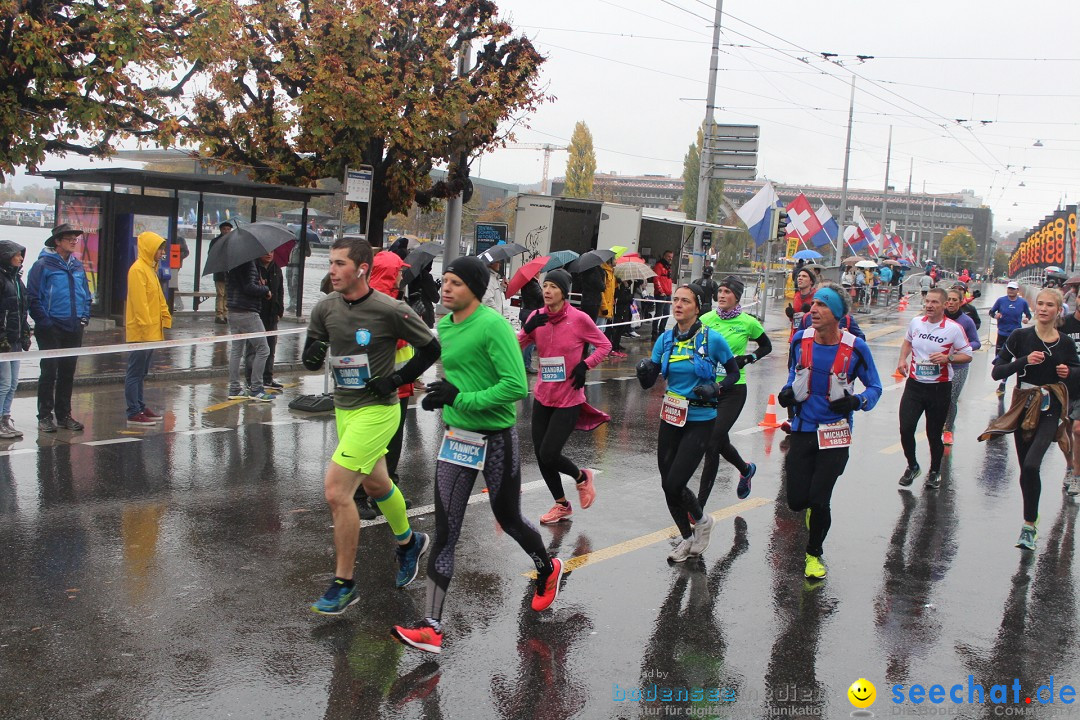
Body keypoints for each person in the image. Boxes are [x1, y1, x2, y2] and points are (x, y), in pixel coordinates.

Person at [392, 256, 563, 654]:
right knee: (446, 531)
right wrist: (442, 398)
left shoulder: (491, 326)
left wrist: (462, 397)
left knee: (509, 517)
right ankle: (432, 625)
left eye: (454, 283)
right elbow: (458, 377)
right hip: (457, 439)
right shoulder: (446, 328)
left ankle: (546, 566)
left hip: (496, 439)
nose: (445, 289)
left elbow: (516, 386)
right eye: (444, 282)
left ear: (474, 288)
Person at [301, 237, 440, 615]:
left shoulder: (389, 308)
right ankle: (410, 542)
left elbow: (431, 348)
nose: (332, 270)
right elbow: (312, 357)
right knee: (378, 483)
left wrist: (395, 381)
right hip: (345, 409)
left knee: (336, 492)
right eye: (330, 262)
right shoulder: (325, 307)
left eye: (340, 264)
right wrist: (312, 354)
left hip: (378, 410)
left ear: (362, 269)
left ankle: (344, 584)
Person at [776, 282, 882, 579]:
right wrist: (786, 393)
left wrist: (857, 401)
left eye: (822, 305)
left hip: (835, 433)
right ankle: (812, 509)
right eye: (814, 304)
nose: (814, 309)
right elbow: (794, 376)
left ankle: (813, 555)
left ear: (836, 313)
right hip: (803, 429)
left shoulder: (855, 348)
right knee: (797, 500)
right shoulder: (800, 340)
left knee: (820, 499)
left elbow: (875, 387)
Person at [636, 284, 740, 563]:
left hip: (700, 419)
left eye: (685, 301)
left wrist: (716, 388)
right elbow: (651, 379)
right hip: (671, 417)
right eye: (675, 300)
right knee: (666, 484)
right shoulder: (665, 340)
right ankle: (687, 537)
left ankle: (703, 521)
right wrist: (644, 372)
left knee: (675, 482)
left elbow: (733, 373)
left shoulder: (712, 339)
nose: (678, 305)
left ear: (698, 307)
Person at [980, 288, 1080, 550]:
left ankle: (1027, 526)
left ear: (1059, 311)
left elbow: (1077, 372)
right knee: (1026, 469)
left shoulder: (1066, 343)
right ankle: (1031, 522)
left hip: (1051, 408)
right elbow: (997, 371)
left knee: (1034, 465)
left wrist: (1068, 371)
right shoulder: (1020, 336)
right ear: (1035, 308)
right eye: (1041, 304)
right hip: (1023, 405)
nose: (1044, 309)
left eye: (1050, 305)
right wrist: (1023, 360)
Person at [518, 268, 612, 525]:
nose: (547, 291)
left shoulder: (579, 319)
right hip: (543, 395)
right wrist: (527, 329)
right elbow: (515, 346)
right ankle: (561, 505)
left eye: (553, 287)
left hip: (569, 397)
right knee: (540, 454)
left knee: (549, 453)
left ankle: (582, 477)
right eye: (545, 286)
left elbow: (605, 345)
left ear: (564, 293)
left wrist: (586, 365)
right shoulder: (537, 317)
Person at [697, 275, 772, 506]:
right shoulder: (706, 319)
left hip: (733, 389)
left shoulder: (748, 322)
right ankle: (746, 469)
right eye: (720, 291)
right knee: (718, 441)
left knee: (711, 443)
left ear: (737, 297)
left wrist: (748, 358)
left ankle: (699, 506)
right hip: (708, 389)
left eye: (727, 292)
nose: (722, 295)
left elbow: (766, 346)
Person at [895, 287, 973, 489]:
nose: (929, 305)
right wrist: (902, 359)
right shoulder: (916, 323)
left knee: (933, 433)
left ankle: (935, 470)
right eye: (927, 301)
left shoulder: (953, 328)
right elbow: (907, 341)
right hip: (914, 385)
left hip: (939, 387)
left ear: (944, 305)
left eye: (934, 302)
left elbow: (968, 354)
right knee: (906, 428)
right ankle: (912, 466)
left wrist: (948, 358)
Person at [27, 223, 92, 433]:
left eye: (76, 238)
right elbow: (33, 298)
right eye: (69, 238)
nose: (74, 241)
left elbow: (85, 294)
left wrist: (84, 318)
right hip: (51, 328)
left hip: (73, 326)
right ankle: (45, 416)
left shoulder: (77, 265)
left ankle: (64, 415)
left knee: (67, 372)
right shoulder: (43, 265)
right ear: (57, 241)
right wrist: (45, 323)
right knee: (49, 372)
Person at [124, 232, 172, 426]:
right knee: (135, 372)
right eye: (160, 249)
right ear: (150, 249)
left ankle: (140, 406)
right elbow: (139, 303)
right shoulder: (138, 270)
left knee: (142, 372)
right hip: (141, 334)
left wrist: (165, 319)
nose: (162, 253)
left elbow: (159, 298)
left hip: (151, 332)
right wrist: (145, 330)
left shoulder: (150, 269)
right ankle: (133, 411)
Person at [225, 258, 275, 402]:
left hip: (233, 310)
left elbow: (240, 286)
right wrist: (264, 289)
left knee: (236, 350)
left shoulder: (233, 263)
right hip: (247, 312)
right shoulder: (249, 263)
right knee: (263, 349)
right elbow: (248, 287)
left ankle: (234, 388)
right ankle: (256, 388)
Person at [941, 287, 982, 446]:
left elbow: (976, 342)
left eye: (954, 300)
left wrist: (964, 347)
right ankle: (939, 424)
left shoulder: (966, 321)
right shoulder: (939, 318)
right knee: (938, 399)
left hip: (959, 365)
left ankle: (948, 429)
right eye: (948, 300)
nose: (951, 303)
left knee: (951, 398)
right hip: (940, 365)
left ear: (960, 302)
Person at [0, 241, 31, 439]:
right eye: (17, 255)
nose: (20, 258)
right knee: (4, 382)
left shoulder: (17, 280)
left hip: (16, 340)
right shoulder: (3, 280)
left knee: (13, 383)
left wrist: (26, 331)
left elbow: (21, 310)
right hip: (5, 341)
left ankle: (5, 417)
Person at [244, 252, 285, 392]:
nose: (269, 254)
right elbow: (248, 288)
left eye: (272, 251)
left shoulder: (276, 269)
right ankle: (250, 379)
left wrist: (280, 310)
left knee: (270, 348)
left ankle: (267, 378)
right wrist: (262, 288)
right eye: (265, 251)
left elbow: (280, 291)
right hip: (256, 313)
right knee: (253, 348)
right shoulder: (253, 268)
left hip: (271, 314)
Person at [990, 281, 1032, 395]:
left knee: (1016, 360)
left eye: (1013, 289)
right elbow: (991, 312)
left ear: (1017, 290)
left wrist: (1027, 319)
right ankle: (1002, 377)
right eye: (1009, 288)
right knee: (1000, 359)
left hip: (1016, 335)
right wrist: (995, 315)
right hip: (1002, 334)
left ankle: (1004, 382)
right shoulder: (1001, 300)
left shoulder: (1022, 302)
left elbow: (1029, 315)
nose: (1010, 291)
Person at [1056, 300, 1080, 497]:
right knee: (1063, 431)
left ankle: (1077, 476)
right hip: (1064, 386)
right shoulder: (1064, 324)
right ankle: (1071, 465)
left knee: (1078, 429)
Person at [518, 276, 543, 374]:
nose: (539, 273)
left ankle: (523, 363)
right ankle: (526, 364)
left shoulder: (527, 282)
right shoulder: (532, 283)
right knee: (529, 341)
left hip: (527, 311)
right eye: (538, 271)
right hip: (531, 313)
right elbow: (541, 297)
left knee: (526, 339)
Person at [208, 222, 232, 324]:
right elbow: (211, 254)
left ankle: (226, 314)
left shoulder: (233, 241)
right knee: (220, 293)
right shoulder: (215, 241)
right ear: (221, 230)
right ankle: (219, 314)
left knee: (227, 294)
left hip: (230, 272)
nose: (226, 231)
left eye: (228, 229)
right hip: (219, 271)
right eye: (224, 229)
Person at [650, 250, 674, 340]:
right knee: (659, 314)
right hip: (661, 294)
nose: (670, 259)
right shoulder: (659, 266)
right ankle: (654, 332)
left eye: (671, 257)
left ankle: (661, 331)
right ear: (664, 256)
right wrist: (661, 291)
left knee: (666, 314)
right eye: (668, 257)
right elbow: (656, 279)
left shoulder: (668, 267)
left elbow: (668, 280)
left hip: (667, 294)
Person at [610, 277, 633, 358]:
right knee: (616, 329)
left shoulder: (628, 286)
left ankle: (617, 345)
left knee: (621, 328)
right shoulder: (618, 286)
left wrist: (627, 288)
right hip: (619, 311)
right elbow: (621, 298)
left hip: (625, 310)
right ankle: (614, 347)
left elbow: (630, 299)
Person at [598, 258, 616, 329]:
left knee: (602, 331)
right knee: (599, 331)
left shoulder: (611, 273)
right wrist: (604, 307)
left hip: (608, 308)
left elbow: (611, 291)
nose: (616, 261)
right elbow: (602, 292)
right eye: (615, 259)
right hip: (603, 309)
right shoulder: (604, 273)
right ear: (610, 261)